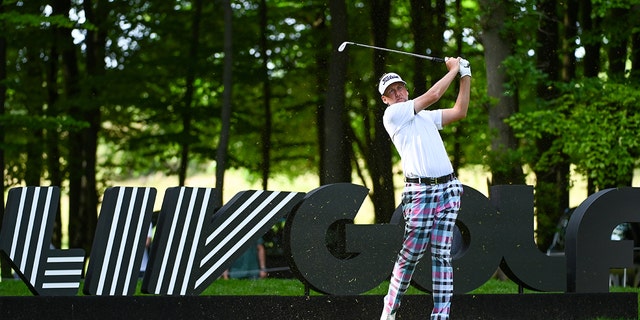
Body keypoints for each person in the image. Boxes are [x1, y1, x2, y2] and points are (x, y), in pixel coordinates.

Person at [378, 57, 471, 320]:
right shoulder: (393, 115)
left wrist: (466, 75)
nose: (396, 94)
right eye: (390, 92)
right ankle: (390, 309)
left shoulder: (426, 118)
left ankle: (440, 316)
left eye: (399, 88)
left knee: (442, 254)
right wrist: (453, 69)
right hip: (419, 194)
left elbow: (460, 111)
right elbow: (434, 94)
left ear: (406, 89)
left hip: (448, 190)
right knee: (412, 254)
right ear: (385, 100)